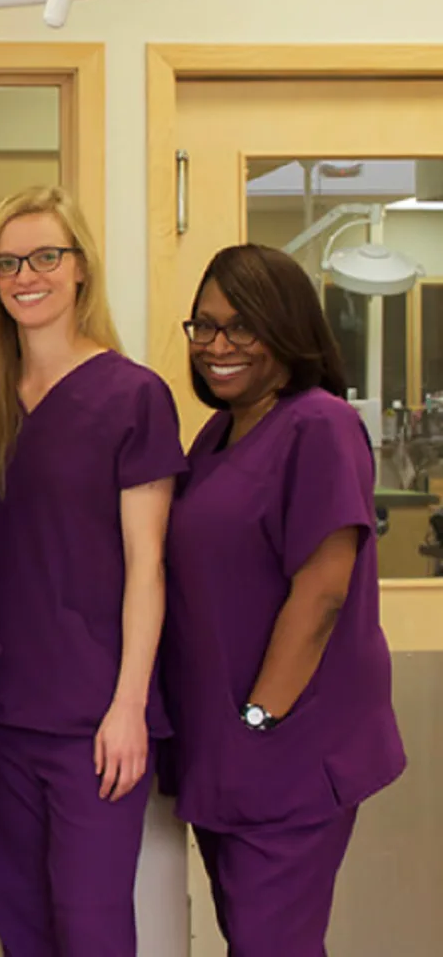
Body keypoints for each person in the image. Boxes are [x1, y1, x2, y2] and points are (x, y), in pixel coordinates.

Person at [164, 244, 405, 956]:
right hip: (225, 750)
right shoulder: (217, 434)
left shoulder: (319, 424)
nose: (217, 345)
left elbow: (325, 590)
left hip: (284, 749)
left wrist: (258, 718)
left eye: (242, 326)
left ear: (289, 330)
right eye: (204, 326)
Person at [0, 185, 185, 956]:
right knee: (19, 925)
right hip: (0, 715)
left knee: (91, 929)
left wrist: (129, 705)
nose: (27, 275)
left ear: (81, 268)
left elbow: (147, 566)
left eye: (46, 256)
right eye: (7, 263)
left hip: (95, 718)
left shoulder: (133, 396)